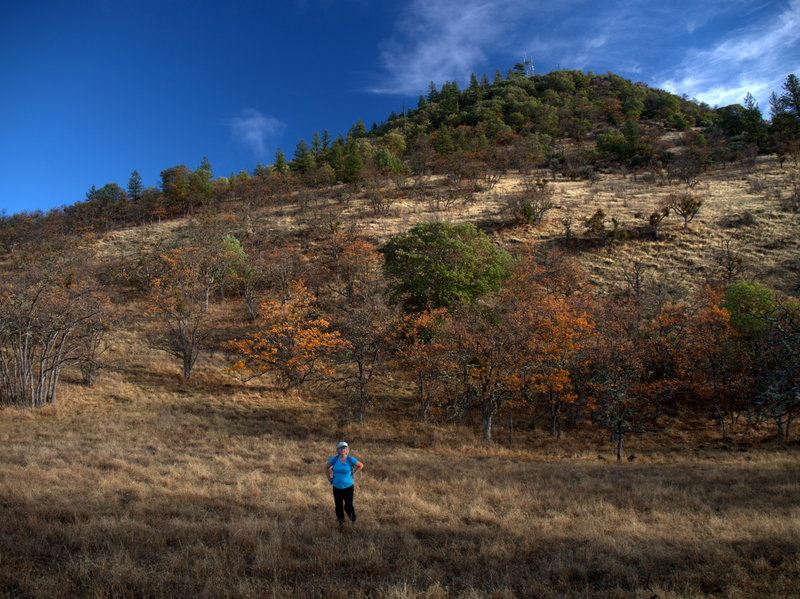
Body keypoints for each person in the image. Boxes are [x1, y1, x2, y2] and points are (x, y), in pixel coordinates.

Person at [324, 441, 363, 529]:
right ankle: (341, 523)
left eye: (344, 448)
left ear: (347, 450)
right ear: (338, 450)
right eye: (340, 448)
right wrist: (329, 479)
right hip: (337, 487)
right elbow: (326, 467)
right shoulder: (334, 459)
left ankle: (353, 520)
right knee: (338, 506)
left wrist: (353, 475)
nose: (342, 450)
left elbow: (360, 466)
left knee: (348, 506)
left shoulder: (350, 459)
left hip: (348, 487)